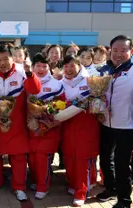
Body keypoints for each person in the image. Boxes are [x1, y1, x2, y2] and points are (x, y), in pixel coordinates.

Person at [0, 44, 41, 201]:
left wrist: (30, 73)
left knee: (18, 156)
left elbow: (35, 90)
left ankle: (19, 187)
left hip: (17, 123)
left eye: (5, 59)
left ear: (12, 58)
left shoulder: (23, 72)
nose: (2, 63)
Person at [98, 35, 133, 208]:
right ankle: (110, 188)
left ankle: (124, 199)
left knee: (122, 163)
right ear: (110, 51)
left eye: (123, 50)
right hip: (106, 124)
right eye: (115, 50)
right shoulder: (104, 71)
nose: (118, 54)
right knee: (105, 159)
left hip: (127, 127)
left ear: (131, 52)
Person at [61, 55, 100, 206]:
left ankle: (81, 191)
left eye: (72, 66)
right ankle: (73, 184)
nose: (69, 69)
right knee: (70, 157)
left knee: (83, 158)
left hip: (86, 125)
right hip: (68, 124)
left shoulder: (91, 81)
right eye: (66, 66)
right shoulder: (60, 83)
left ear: (79, 66)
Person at [27, 53, 65, 200]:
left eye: (44, 66)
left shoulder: (56, 84)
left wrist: (50, 117)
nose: (41, 69)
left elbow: (62, 105)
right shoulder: (27, 82)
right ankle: (37, 182)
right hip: (31, 127)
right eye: (38, 66)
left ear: (49, 67)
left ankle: (44, 187)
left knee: (42, 157)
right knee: (32, 158)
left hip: (49, 128)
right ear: (33, 67)